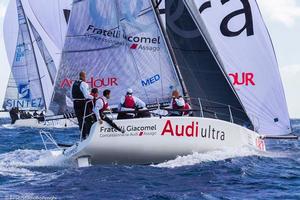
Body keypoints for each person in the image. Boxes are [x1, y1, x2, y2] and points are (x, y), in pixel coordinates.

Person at [71, 71, 94, 139]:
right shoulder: (84, 84)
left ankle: (83, 137)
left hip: (75, 103)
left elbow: (71, 94)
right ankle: (89, 135)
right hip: (82, 103)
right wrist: (94, 97)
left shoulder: (73, 83)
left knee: (80, 120)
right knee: (88, 119)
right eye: (85, 76)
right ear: (83, 76)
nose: (85, 78)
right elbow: (86, 95)